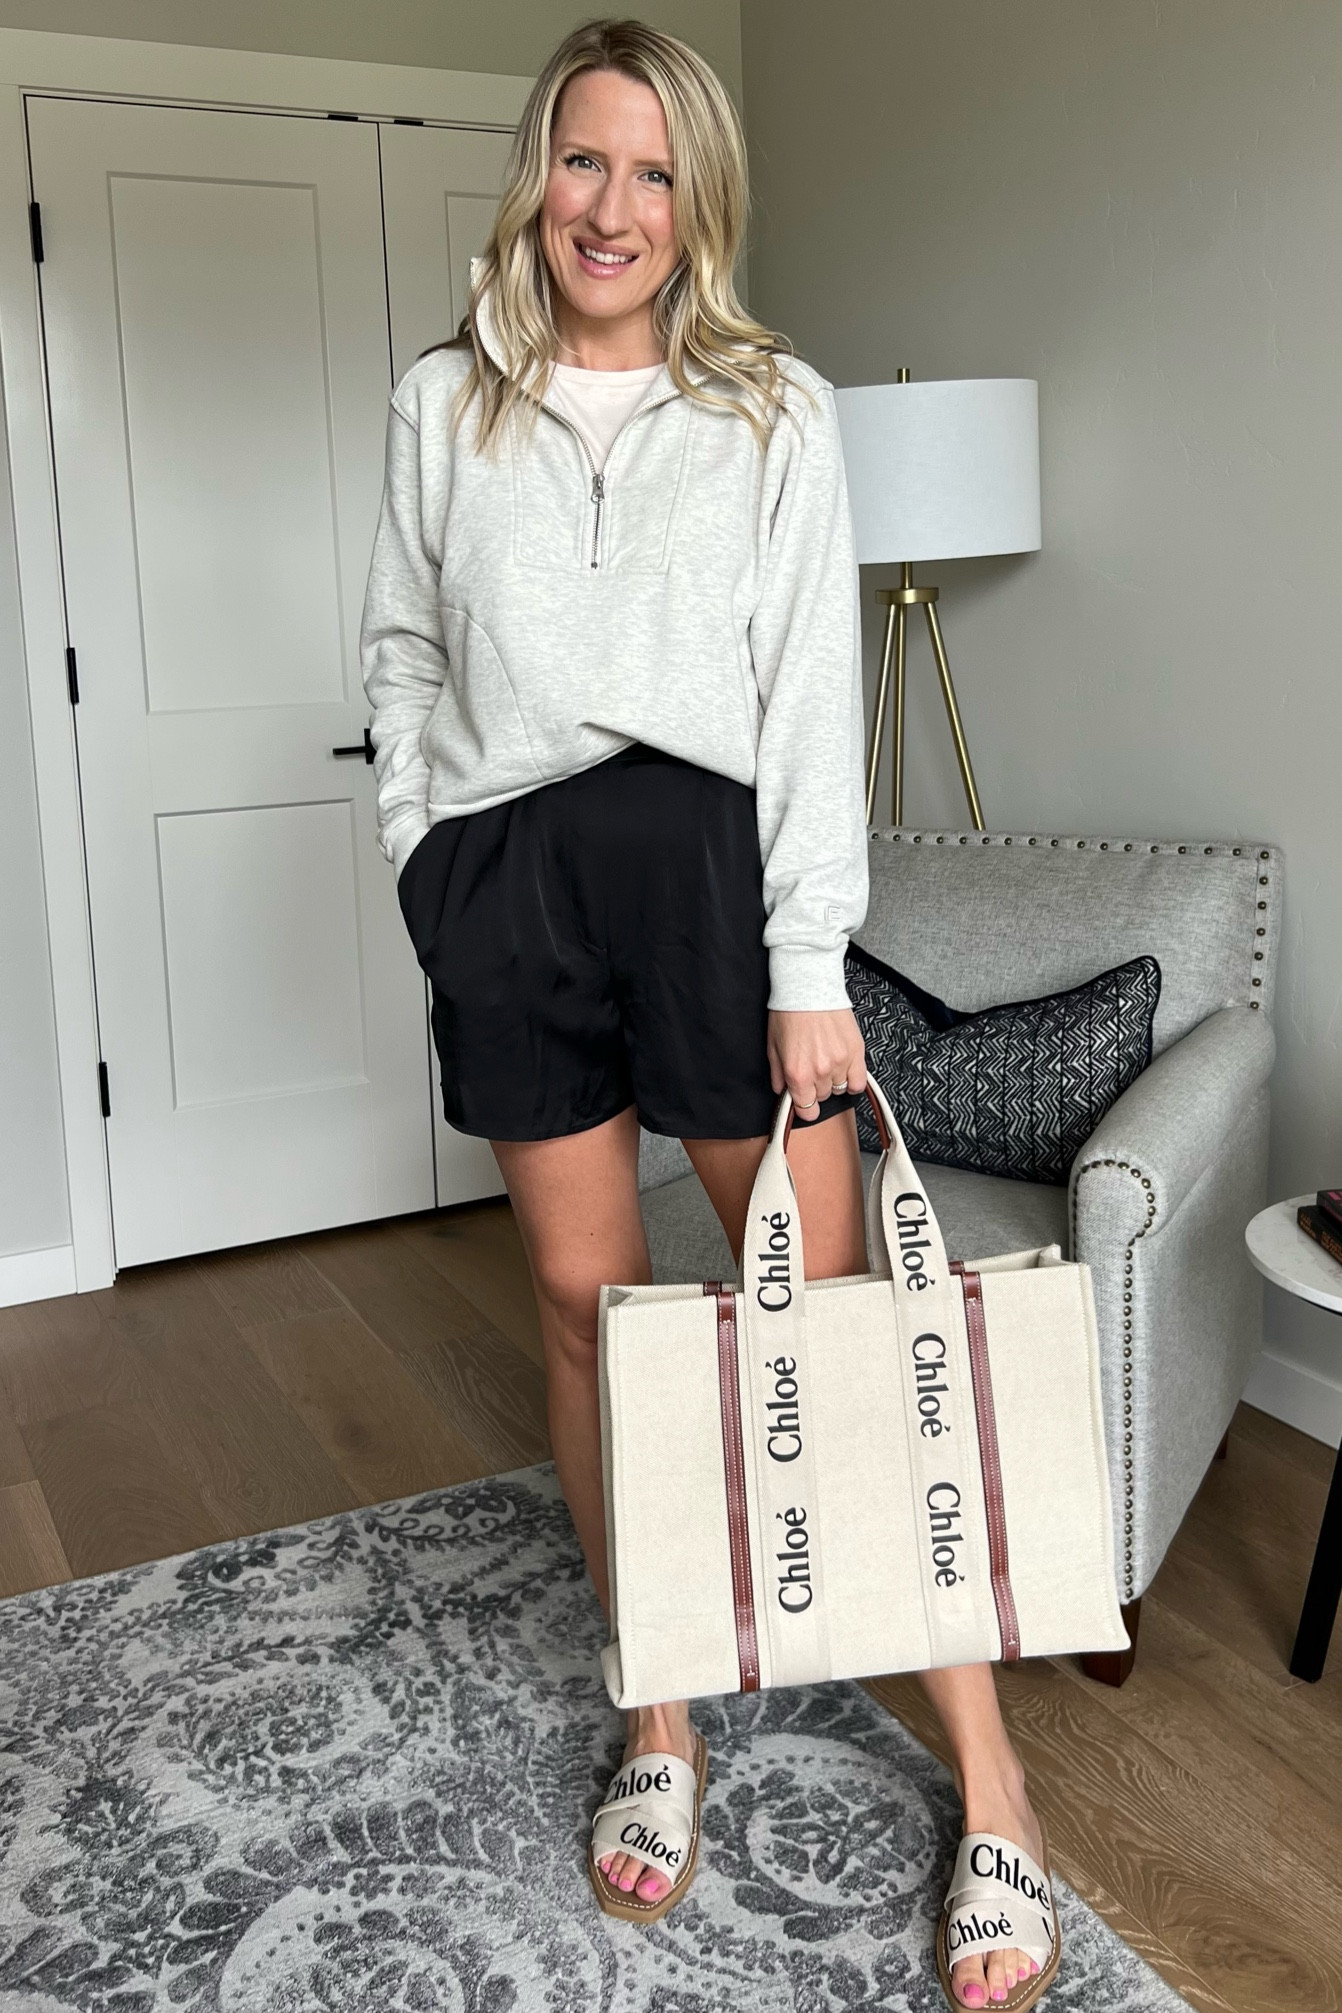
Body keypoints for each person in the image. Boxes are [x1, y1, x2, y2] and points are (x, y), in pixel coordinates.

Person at [362, 19, 1054, 2009]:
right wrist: (428, 858)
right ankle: (660, 1708)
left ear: (699, 203)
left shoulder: (772, 409)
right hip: (508, 888)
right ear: (534, 175)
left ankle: (990, 1778)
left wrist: (807, 964)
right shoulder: (444, 401)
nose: (613, 208)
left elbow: (809, 710)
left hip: (710, 886)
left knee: (831, 1329)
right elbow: (399, 642)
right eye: (585, 162)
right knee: (591, 1319)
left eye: (655, 174)